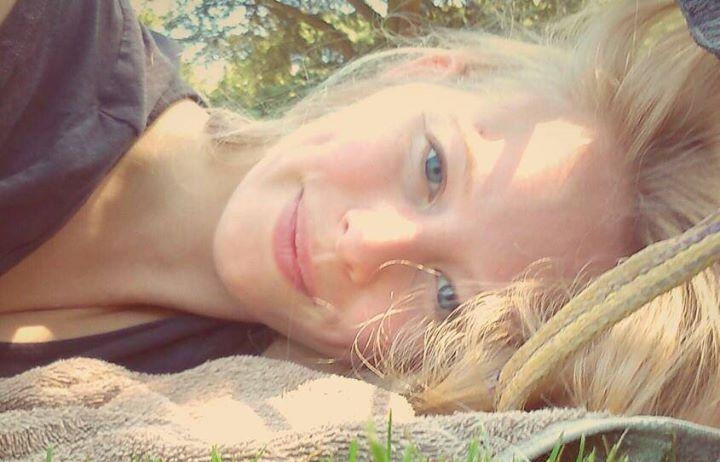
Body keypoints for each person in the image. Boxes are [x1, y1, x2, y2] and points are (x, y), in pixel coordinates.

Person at [0, 1, 718, 426]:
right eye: (433, 167)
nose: (363, 245)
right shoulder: (45, 32)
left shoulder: (226, 395)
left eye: (445, 299)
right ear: (422, 71)